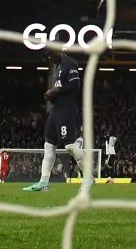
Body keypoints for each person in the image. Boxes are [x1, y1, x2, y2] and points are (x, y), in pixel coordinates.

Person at [22, 46, 93, 193]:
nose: (50, 59)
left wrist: (55, 90)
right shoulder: (59, 67)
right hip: (56, 111)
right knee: (48, 145)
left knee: (69, 146)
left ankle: (88, 177)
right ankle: (43, 183)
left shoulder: (70, 63)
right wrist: (53, 95)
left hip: (67, 110)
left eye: (50, 56)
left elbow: (75, 85)